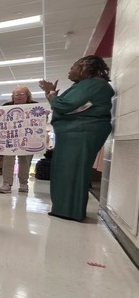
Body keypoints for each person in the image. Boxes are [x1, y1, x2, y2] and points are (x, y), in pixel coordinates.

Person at [39, 55, 114, 221]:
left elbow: (62, 106)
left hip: (80, 132)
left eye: (72, 67)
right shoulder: (89, 85)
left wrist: (51, 93)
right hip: (77, 132)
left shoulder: (93, 85)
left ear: (85, 66)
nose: (70, 71)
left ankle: (70, 210)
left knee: (71, 170)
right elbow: (65, 105)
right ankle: (66, 208)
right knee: (67, 170)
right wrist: (52, 96)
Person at [0, 85, 38, 193]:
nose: (18, 96)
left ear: (27, 95)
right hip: (10, 137)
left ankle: (24, 184)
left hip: (27, 138)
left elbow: (40, 120)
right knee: (8, 160)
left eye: (21, 94)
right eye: (16, 94)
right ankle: (6, 184)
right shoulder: (6, 106)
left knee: (25, 160)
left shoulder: (35, 106)